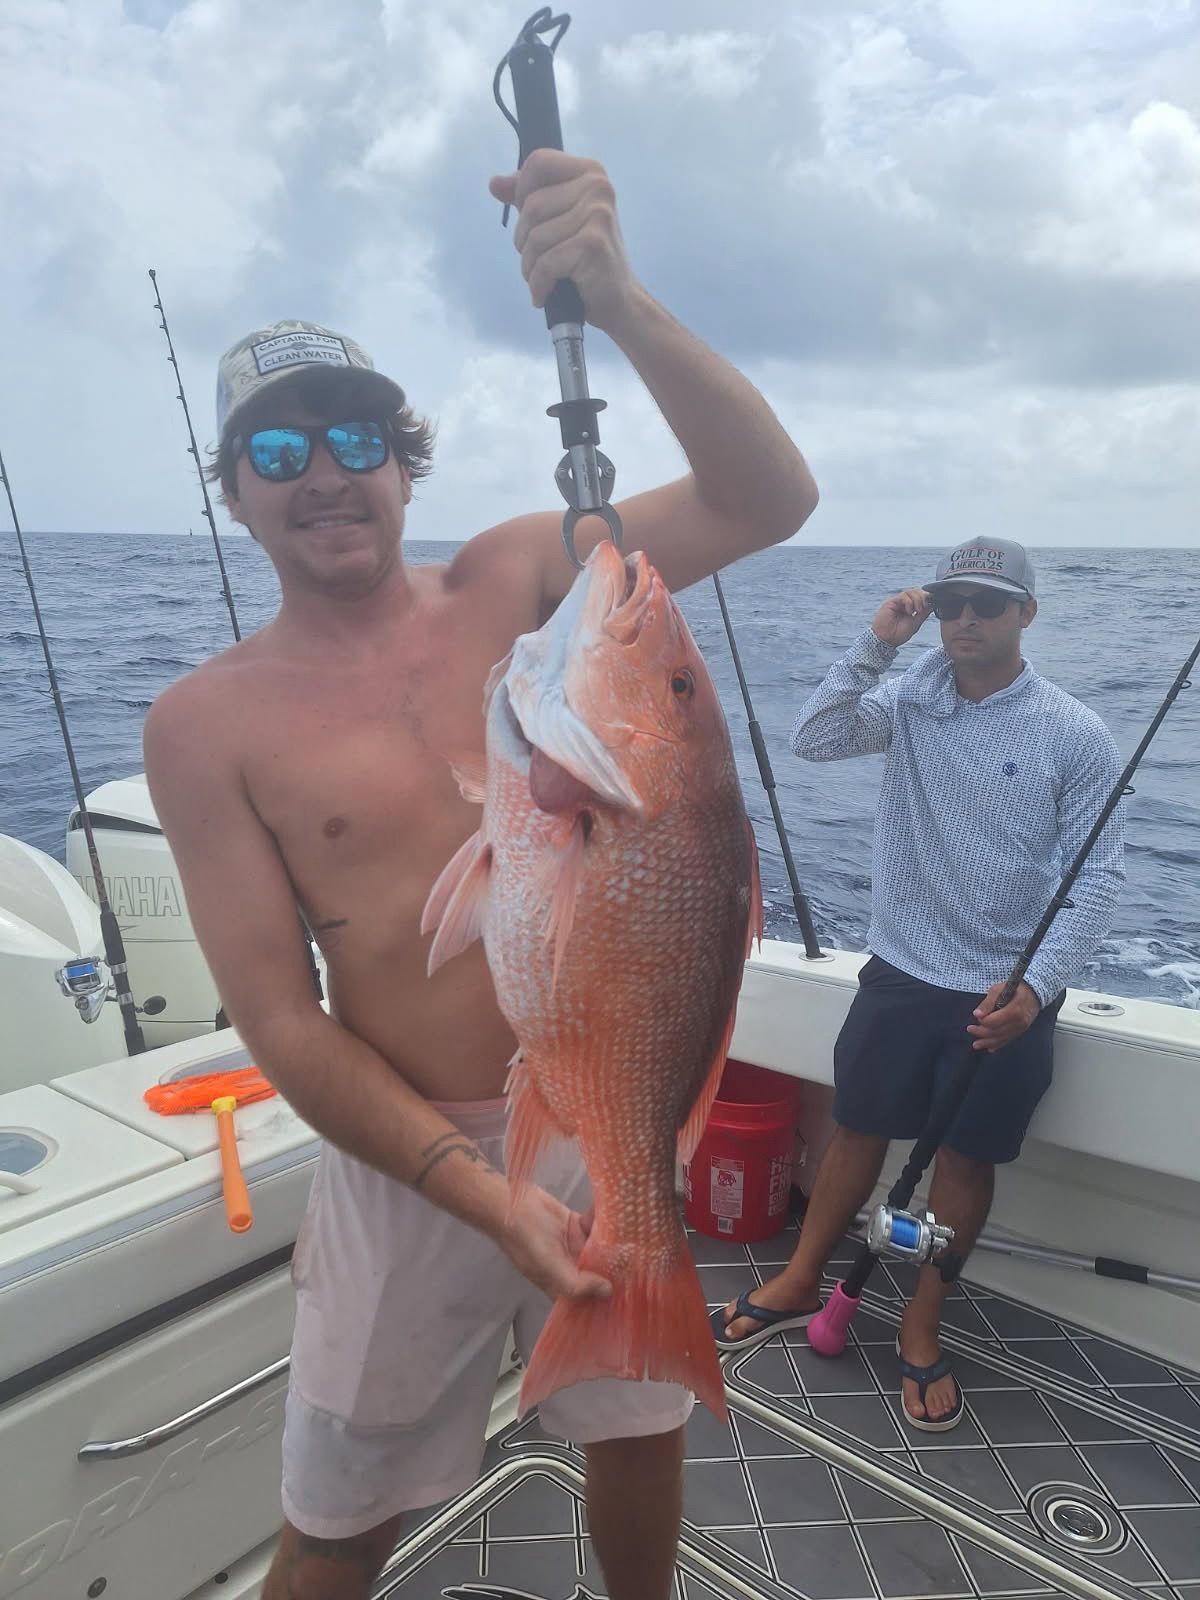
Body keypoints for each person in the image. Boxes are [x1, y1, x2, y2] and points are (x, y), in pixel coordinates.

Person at [143, 151, 818, 1600]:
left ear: (405, 462)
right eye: (275, 452)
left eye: (353, 437)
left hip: (604, 1111)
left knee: (635, 1430)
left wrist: (619, 298)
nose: (321, 472)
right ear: (235, 496)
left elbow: (766, 498)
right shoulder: (204, 726)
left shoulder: (528, 580)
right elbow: (280, 1018)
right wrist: (469, 1183)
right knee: (337, 1515)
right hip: (407, 1158)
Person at [713, 537, 1124, 1432]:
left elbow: (1099, 878)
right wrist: (878, 643)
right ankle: (797, 1277)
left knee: (965, 1162)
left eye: (986, 602)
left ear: (1027, 614)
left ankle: (924, 1322)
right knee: (857, 1128)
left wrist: (1037, 985)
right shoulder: (908, 700)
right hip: (900, 969)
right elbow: (814, 738)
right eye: (949, 603)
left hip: (1002, 994)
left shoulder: (1074, 731)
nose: (964, 618)